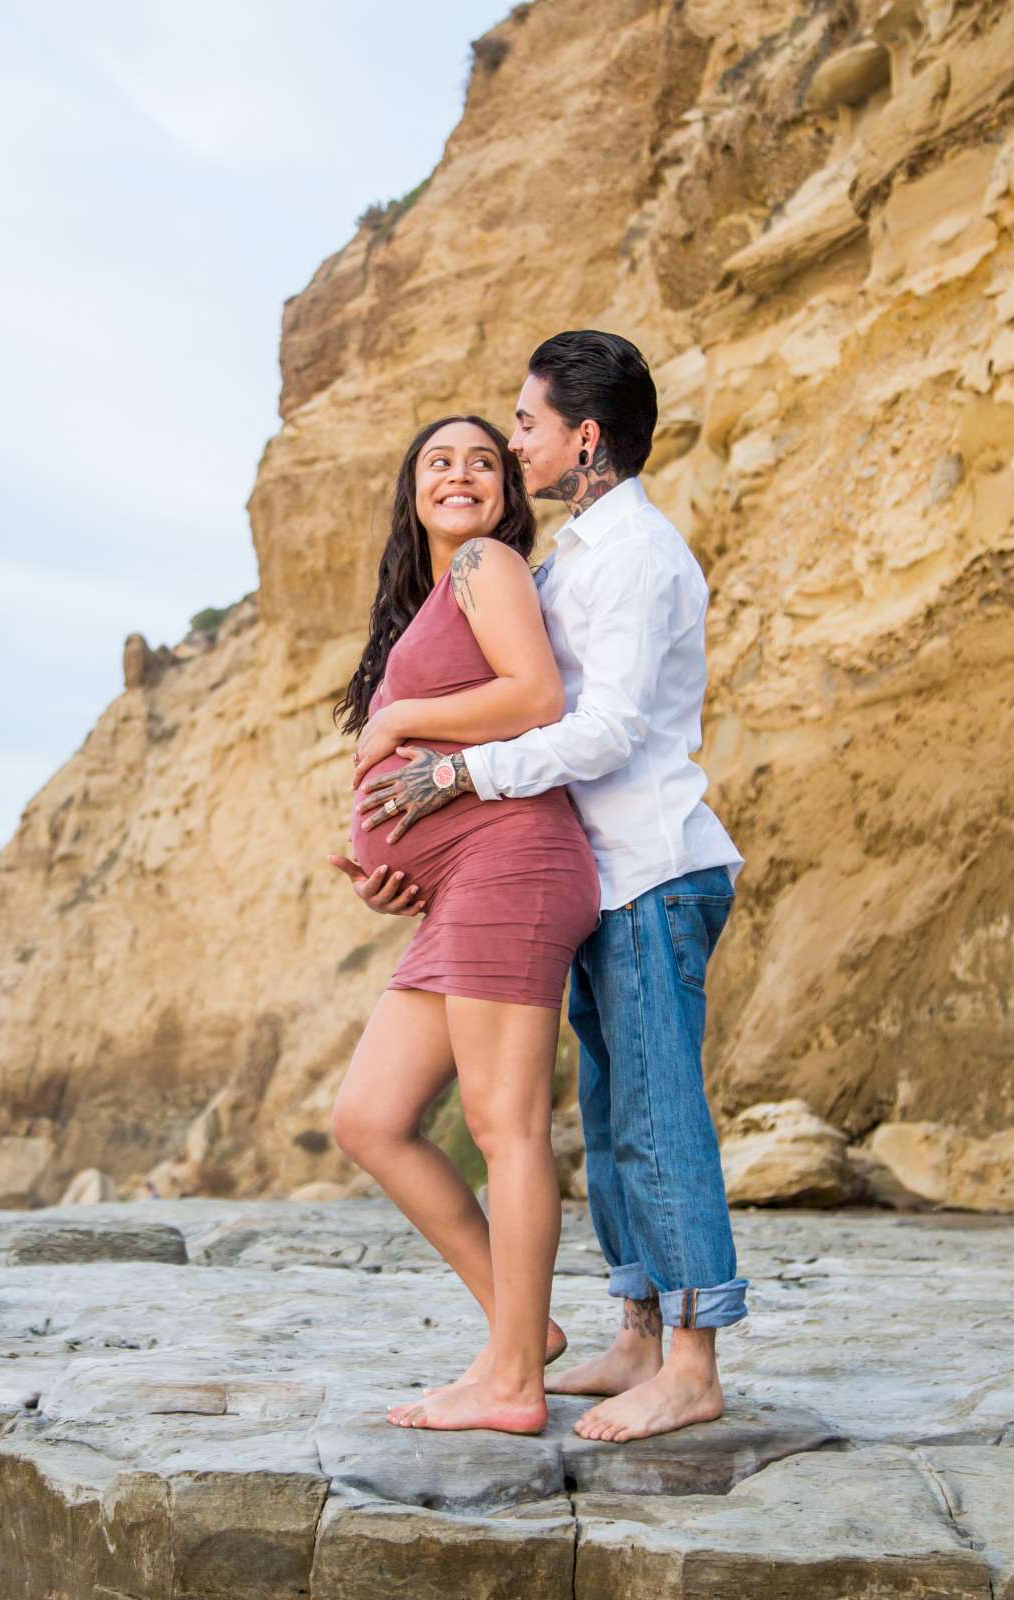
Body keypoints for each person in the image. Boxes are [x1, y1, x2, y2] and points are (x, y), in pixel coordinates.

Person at [354, 330, 745, 1444]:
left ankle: (694, 1359)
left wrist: (454, 771)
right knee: (619, 1118)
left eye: (523, 426)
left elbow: (606, 725)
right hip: (605, 872)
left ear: (585, 437)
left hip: (655, 866)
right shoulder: (576, 553)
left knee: (660, 1120)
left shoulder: (632, 554)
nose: (512, 444)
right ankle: (632, 1334)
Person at [323, 414, 599, 1436]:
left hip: (515, 868)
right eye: (439, 460)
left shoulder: (490, 565)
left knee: (505, 1128)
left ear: (506, 491)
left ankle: (514, 1383)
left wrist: (394, 725)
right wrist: (392, 871)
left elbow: (536, 697)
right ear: (411, 490)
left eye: (485, 459)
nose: (463, 473)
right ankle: (525, 1332)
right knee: (370, 1117)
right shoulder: (433, 603)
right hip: (461, 889)